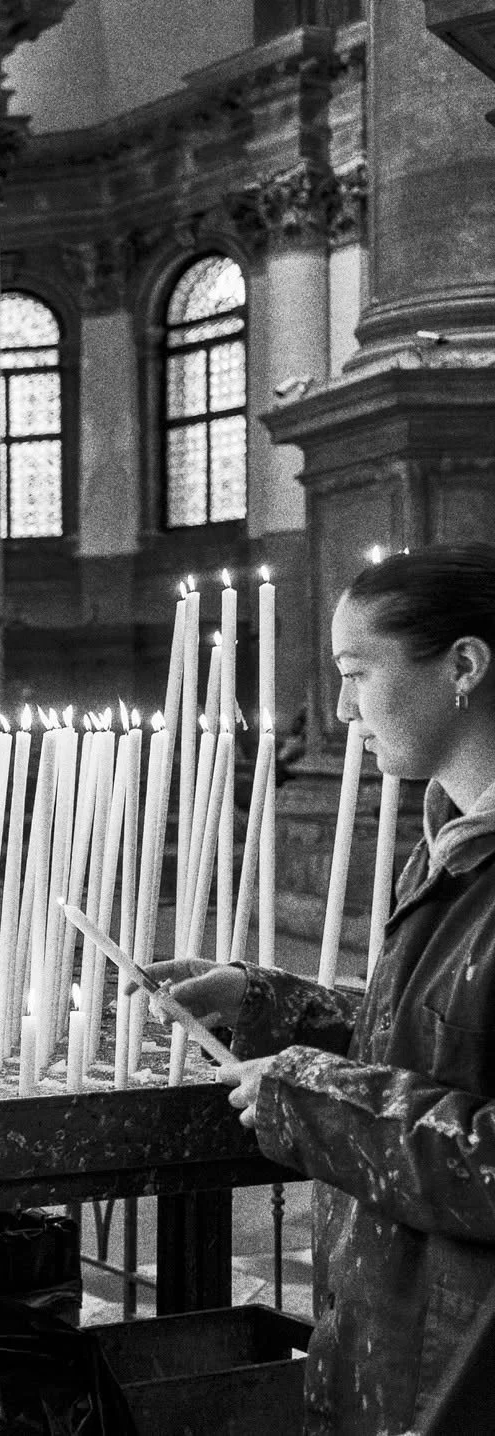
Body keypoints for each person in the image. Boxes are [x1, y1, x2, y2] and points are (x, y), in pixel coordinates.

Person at [152, 543, 495, 1436]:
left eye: (355, 672)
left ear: (463, 665)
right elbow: (440, 1037)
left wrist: (315, 1098)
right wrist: (268, 1003)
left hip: (463, 1366)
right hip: (389, 1336)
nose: (340, 710)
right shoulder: (453, 840)